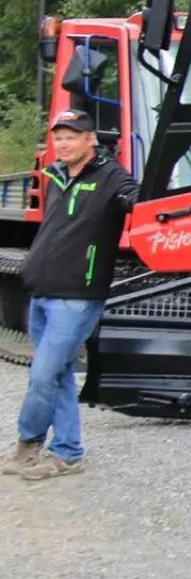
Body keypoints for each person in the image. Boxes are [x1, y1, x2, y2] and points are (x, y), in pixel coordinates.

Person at [2, 110, 137, 481]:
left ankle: (29, 445)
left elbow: (138, 201)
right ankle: (68, 452)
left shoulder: (112, 177)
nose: (61, 144)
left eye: (70, 136)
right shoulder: (55, 177)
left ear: (90, 139)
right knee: (57, 374)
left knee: (43, 374)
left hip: (77, 297)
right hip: (42, 292)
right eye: (57, 137)